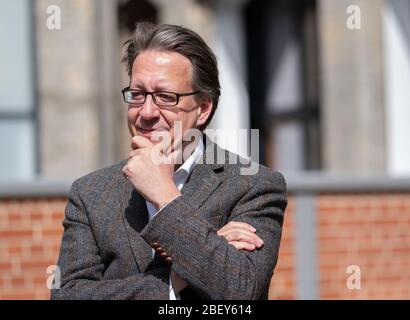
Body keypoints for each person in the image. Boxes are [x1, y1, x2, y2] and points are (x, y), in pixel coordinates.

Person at [51, 22, 287, 300]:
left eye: (165, 97)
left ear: (202, 109)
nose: (147, 112)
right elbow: (67, 296)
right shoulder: (90, 193)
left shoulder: (253, 185)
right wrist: (172, 282)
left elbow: (242, 290)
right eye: (137, 95)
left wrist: (164, 195)